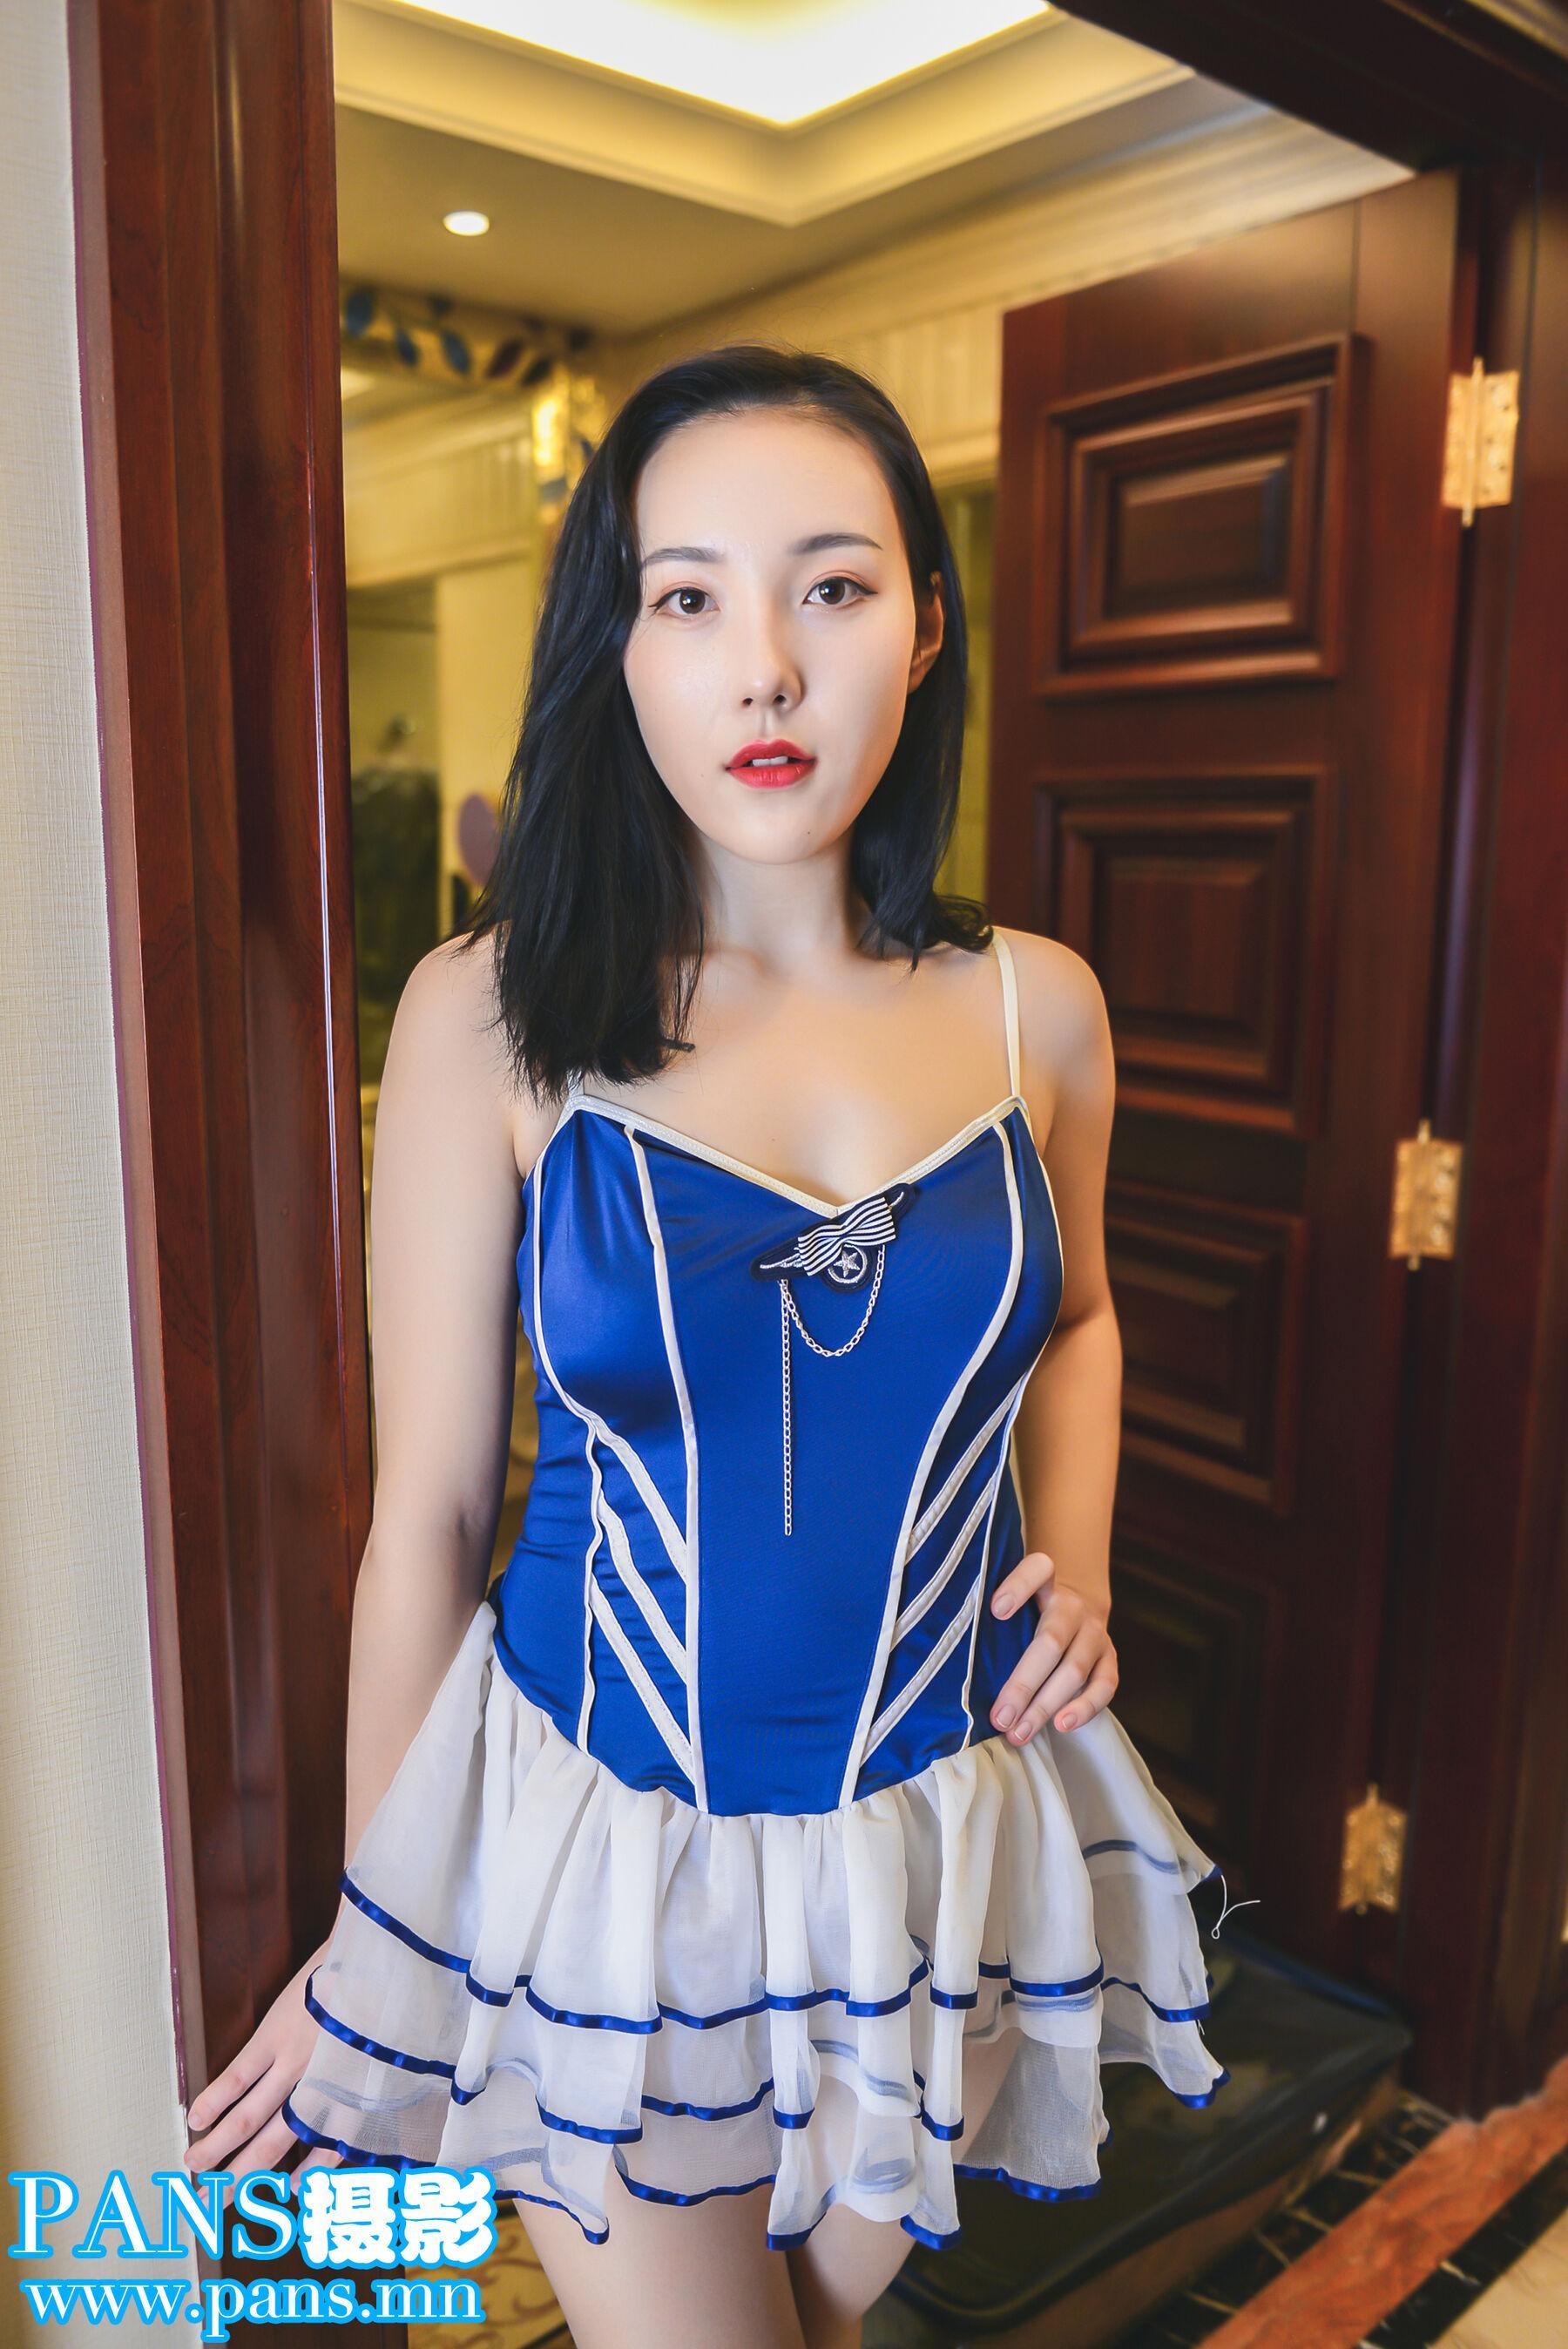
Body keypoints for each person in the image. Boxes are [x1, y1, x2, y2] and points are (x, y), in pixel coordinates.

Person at [182, 344, 1229, 2349]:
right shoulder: (490, 1013)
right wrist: (386, 1938)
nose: (765, 668)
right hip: (610, 1869)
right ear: (621, 643)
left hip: (939, 1853)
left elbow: (1083, 1314)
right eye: (689, 596)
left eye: (832, 586)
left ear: (928, 621)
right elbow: (423, 1522)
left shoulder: (1043, 1009)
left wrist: (1078, 1561)